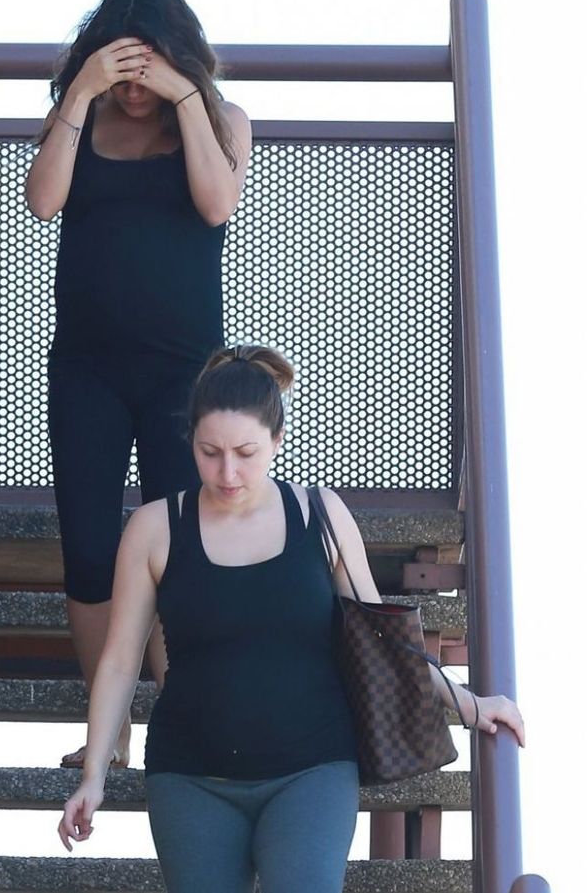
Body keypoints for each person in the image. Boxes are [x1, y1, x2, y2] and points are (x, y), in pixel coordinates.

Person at [57, 344, 525, 893]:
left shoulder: (320, 514)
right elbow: (117, 662)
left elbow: (381, 637)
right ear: (191, 443)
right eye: (209, 452)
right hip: (190, 777)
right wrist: (94, 775)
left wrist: (470, 703)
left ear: (277, 441)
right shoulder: (155, 528)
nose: (227, 471)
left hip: (312, 770)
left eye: (245, 452)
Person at [26, 0, 251, 768]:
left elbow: (217, 204)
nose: (131, 88)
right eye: (118, 69)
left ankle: (186, 721)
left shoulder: (222, 121)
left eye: (143, 71)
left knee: (178, 545)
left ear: (177, 63)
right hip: (85, 368)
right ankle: (109, 726)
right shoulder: (80, 119)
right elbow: (42, 200)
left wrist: (187, 98)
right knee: (89, 548)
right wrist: (82, 89)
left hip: (181, 378)